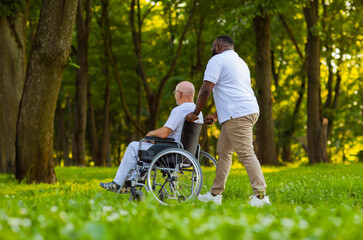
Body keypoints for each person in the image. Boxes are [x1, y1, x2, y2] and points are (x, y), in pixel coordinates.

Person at [185, 35, 271, 207]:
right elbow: (234, 92)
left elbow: (205, 90)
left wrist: (196, 112)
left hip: (238, 115)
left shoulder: (217, 60)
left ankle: (261, 197)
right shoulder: (240, 63)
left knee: (246, 153)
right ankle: (215, 195)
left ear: (218, 46)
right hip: (244, 111)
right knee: (223, 153)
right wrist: (216, 115)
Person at [100, 81, 203, 192]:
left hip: (171, 153)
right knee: (148, 149)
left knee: (134, 146)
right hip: (187, 154)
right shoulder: (198, 113)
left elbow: (164, 133)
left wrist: (151, 133)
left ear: (180, 94)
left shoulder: (179, 110)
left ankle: (118, 183)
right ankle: (132, 182)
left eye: (175, 92)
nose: (175, 95)